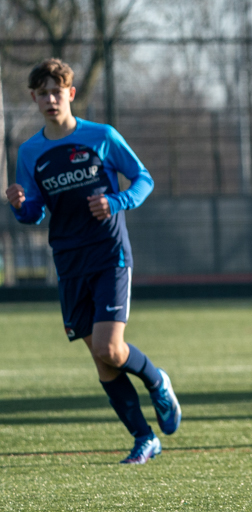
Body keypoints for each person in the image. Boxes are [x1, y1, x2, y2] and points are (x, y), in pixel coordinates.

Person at [6, 59, 180, 464]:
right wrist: (20, 205)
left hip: (109, 254)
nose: (51, 99)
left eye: (57, 90)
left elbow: (143, 179)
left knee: (110, 347)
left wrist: (116, 201)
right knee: (101, 359)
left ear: (71, 93)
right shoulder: (30, 152)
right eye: (42, 93)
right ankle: (144, 438)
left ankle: (157, 380)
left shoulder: (101, 137)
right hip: (68, 261)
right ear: (33, 98)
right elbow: (34, 212)